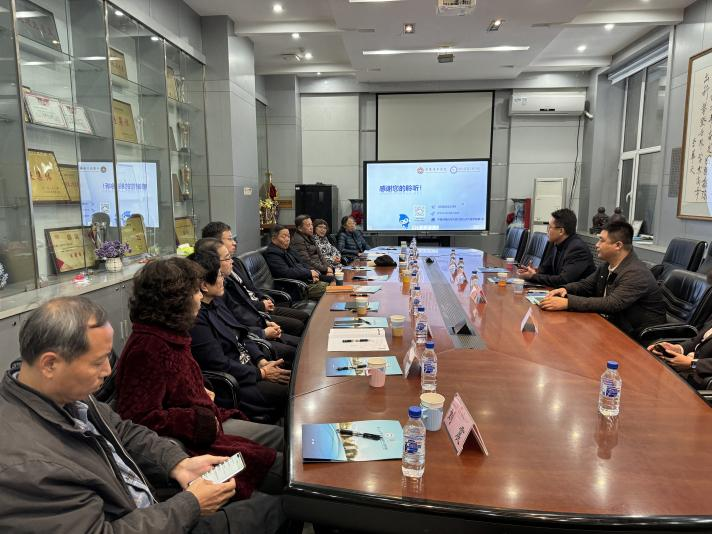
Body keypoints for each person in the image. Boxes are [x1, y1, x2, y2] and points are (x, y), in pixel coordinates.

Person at [0, 296, 285, 533]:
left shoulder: (65, 394)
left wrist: (177, 463)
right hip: (157, 517)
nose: (107, 371)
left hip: (153, 506)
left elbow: (122, 430)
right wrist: (191, 505)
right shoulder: (25, 467)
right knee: (280, 508)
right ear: (50, 364)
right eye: (98, 362)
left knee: (276, 496)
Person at [115, 258, 286, 500]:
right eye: (195, 291)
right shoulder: (148, 348)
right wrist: (199, 420)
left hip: (211, 419)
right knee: (280, 464)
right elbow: (139, 418)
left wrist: (201, 389)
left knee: (283, 438)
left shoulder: (169, 334)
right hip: (196, 441)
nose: (199, 297)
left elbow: (175, 384)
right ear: (175, 300)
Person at [188, 249, 290, 421]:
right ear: (204, 285)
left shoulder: (216, 301)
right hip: (239, 382)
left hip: (252, 367)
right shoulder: (197, 320)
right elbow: (219, 364)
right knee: (295, 393)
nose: (223, 279)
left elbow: (241, 332)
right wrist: (261, 373)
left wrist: (261, 360)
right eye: (219, 275)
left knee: (297, 379)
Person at [540, 221, 666, 337]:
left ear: (618, 245)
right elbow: (586, 285)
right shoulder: (607, 265)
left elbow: (612, 303)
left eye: (601, 240)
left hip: (639, 338)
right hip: (613, 327)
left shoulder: (636, 273)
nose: (596, 245)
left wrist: (568, 303)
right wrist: (565, 289)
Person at [194, 237, 298, 363]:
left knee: (298, 342)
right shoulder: (205, 309)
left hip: (253, 335)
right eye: (227, 258)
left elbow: (239, 327)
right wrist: (262, 334)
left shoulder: (216, 298)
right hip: (247, 350)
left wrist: (260, 361)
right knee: (295, 350)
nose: (234, 242)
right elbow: (222, 357)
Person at [201, 221, 309, 335]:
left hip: (259, 306)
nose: (234, 243)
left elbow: (251, 287)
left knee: (305, 316)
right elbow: (239, 307)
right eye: (230, 239)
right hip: (253, 313)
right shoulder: (218, 278)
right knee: (298, 325)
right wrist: (261, 308)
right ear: (216, 243)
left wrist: (263, 298)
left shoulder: (236, 263)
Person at [517, 208, 595, 287]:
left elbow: (563, 280)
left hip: (575, 293)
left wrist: (532, 276)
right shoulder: (557, 244)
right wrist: (534, 271)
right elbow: (546, 269)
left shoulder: (577, 249)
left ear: (561, 231)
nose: (547, 230)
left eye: (550, 227)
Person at [263, 225, 329, 299]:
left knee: (333, 280)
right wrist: (309, 273)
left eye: (288, 236)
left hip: (304, 281)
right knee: (330, 289)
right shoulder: (272, 253)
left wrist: (312, 273)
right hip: (294, 288)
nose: (287, 239)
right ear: (273, 239)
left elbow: (302, 263)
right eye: (284, 237)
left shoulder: (288, 249)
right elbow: (286, 272)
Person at [649, 321, 712, 389]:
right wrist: (677, 348)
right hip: (683, 371)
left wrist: (692, 364)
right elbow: (695, 341)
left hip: (699, 382)